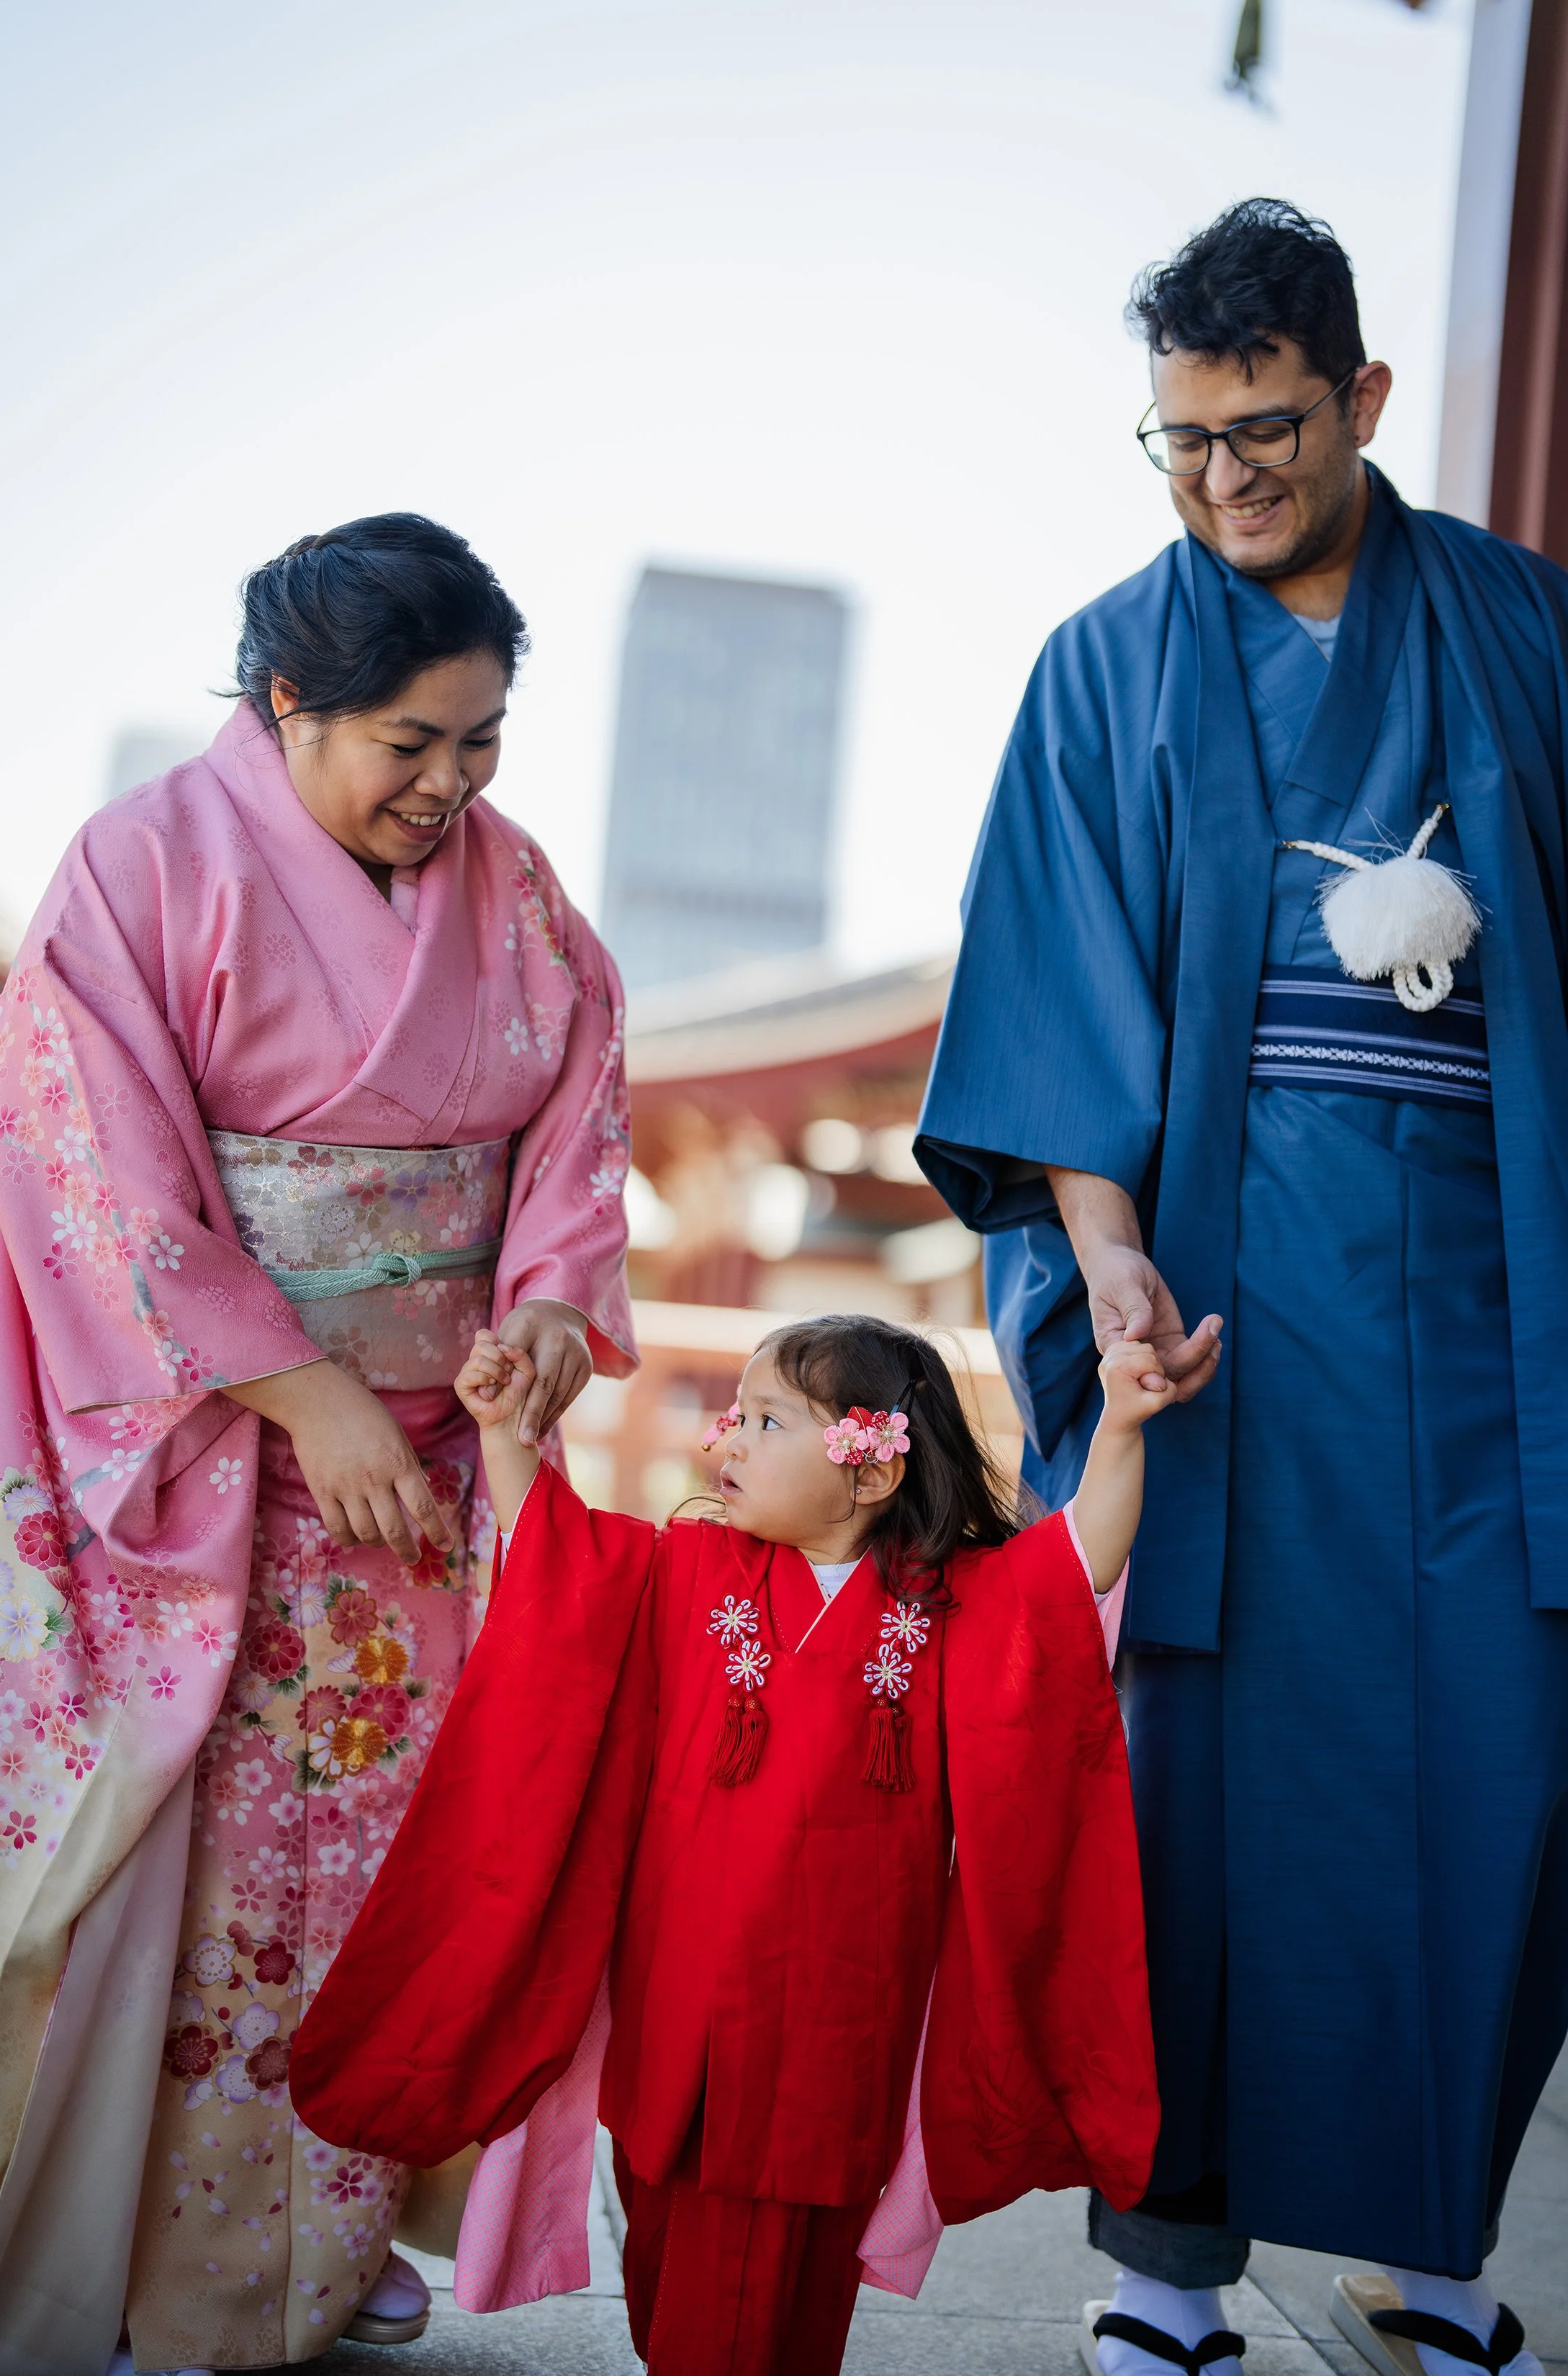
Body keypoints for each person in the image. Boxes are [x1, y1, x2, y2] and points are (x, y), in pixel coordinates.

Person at [916, 198, 1568, 2376]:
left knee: (1496, 1755)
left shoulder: (1527, 630)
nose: (1221, 481)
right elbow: (1054, 997)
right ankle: (1163, 2273)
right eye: (1180, 440)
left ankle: (1429, 2247)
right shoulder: (1103, 661)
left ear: (1361, 397)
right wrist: (1105, 1258)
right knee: (1187, 1783)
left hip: (1489, 1297)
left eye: (1263, 431)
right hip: (1211, 1292)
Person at [0, 514, 636, 2376]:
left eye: (481, 740)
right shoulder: (141, 865)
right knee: (185, 1882)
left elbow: (576, 1129)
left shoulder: (518, 893)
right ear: (286, 701)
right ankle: (146, 2270)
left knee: (386, 1863)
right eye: (409, 741)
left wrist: (542, 1309)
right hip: (205, 1456)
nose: (451, 783)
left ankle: (322, 2252)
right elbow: (85, 1164)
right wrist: (298, 1386)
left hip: (428, 1474)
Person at [289, 1310, 1166, 2376]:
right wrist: (504, 1430)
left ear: (871, 1465)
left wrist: (1121, 1428)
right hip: (687, 1993)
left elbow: (1072, 1571)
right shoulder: (688, 1568)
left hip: (845, 2013)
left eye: (766, 1421)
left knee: (801, 2258)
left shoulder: (949, 1604)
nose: (728, 1441)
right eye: (735, 1417)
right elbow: (562, 1562)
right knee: (673, 2237)